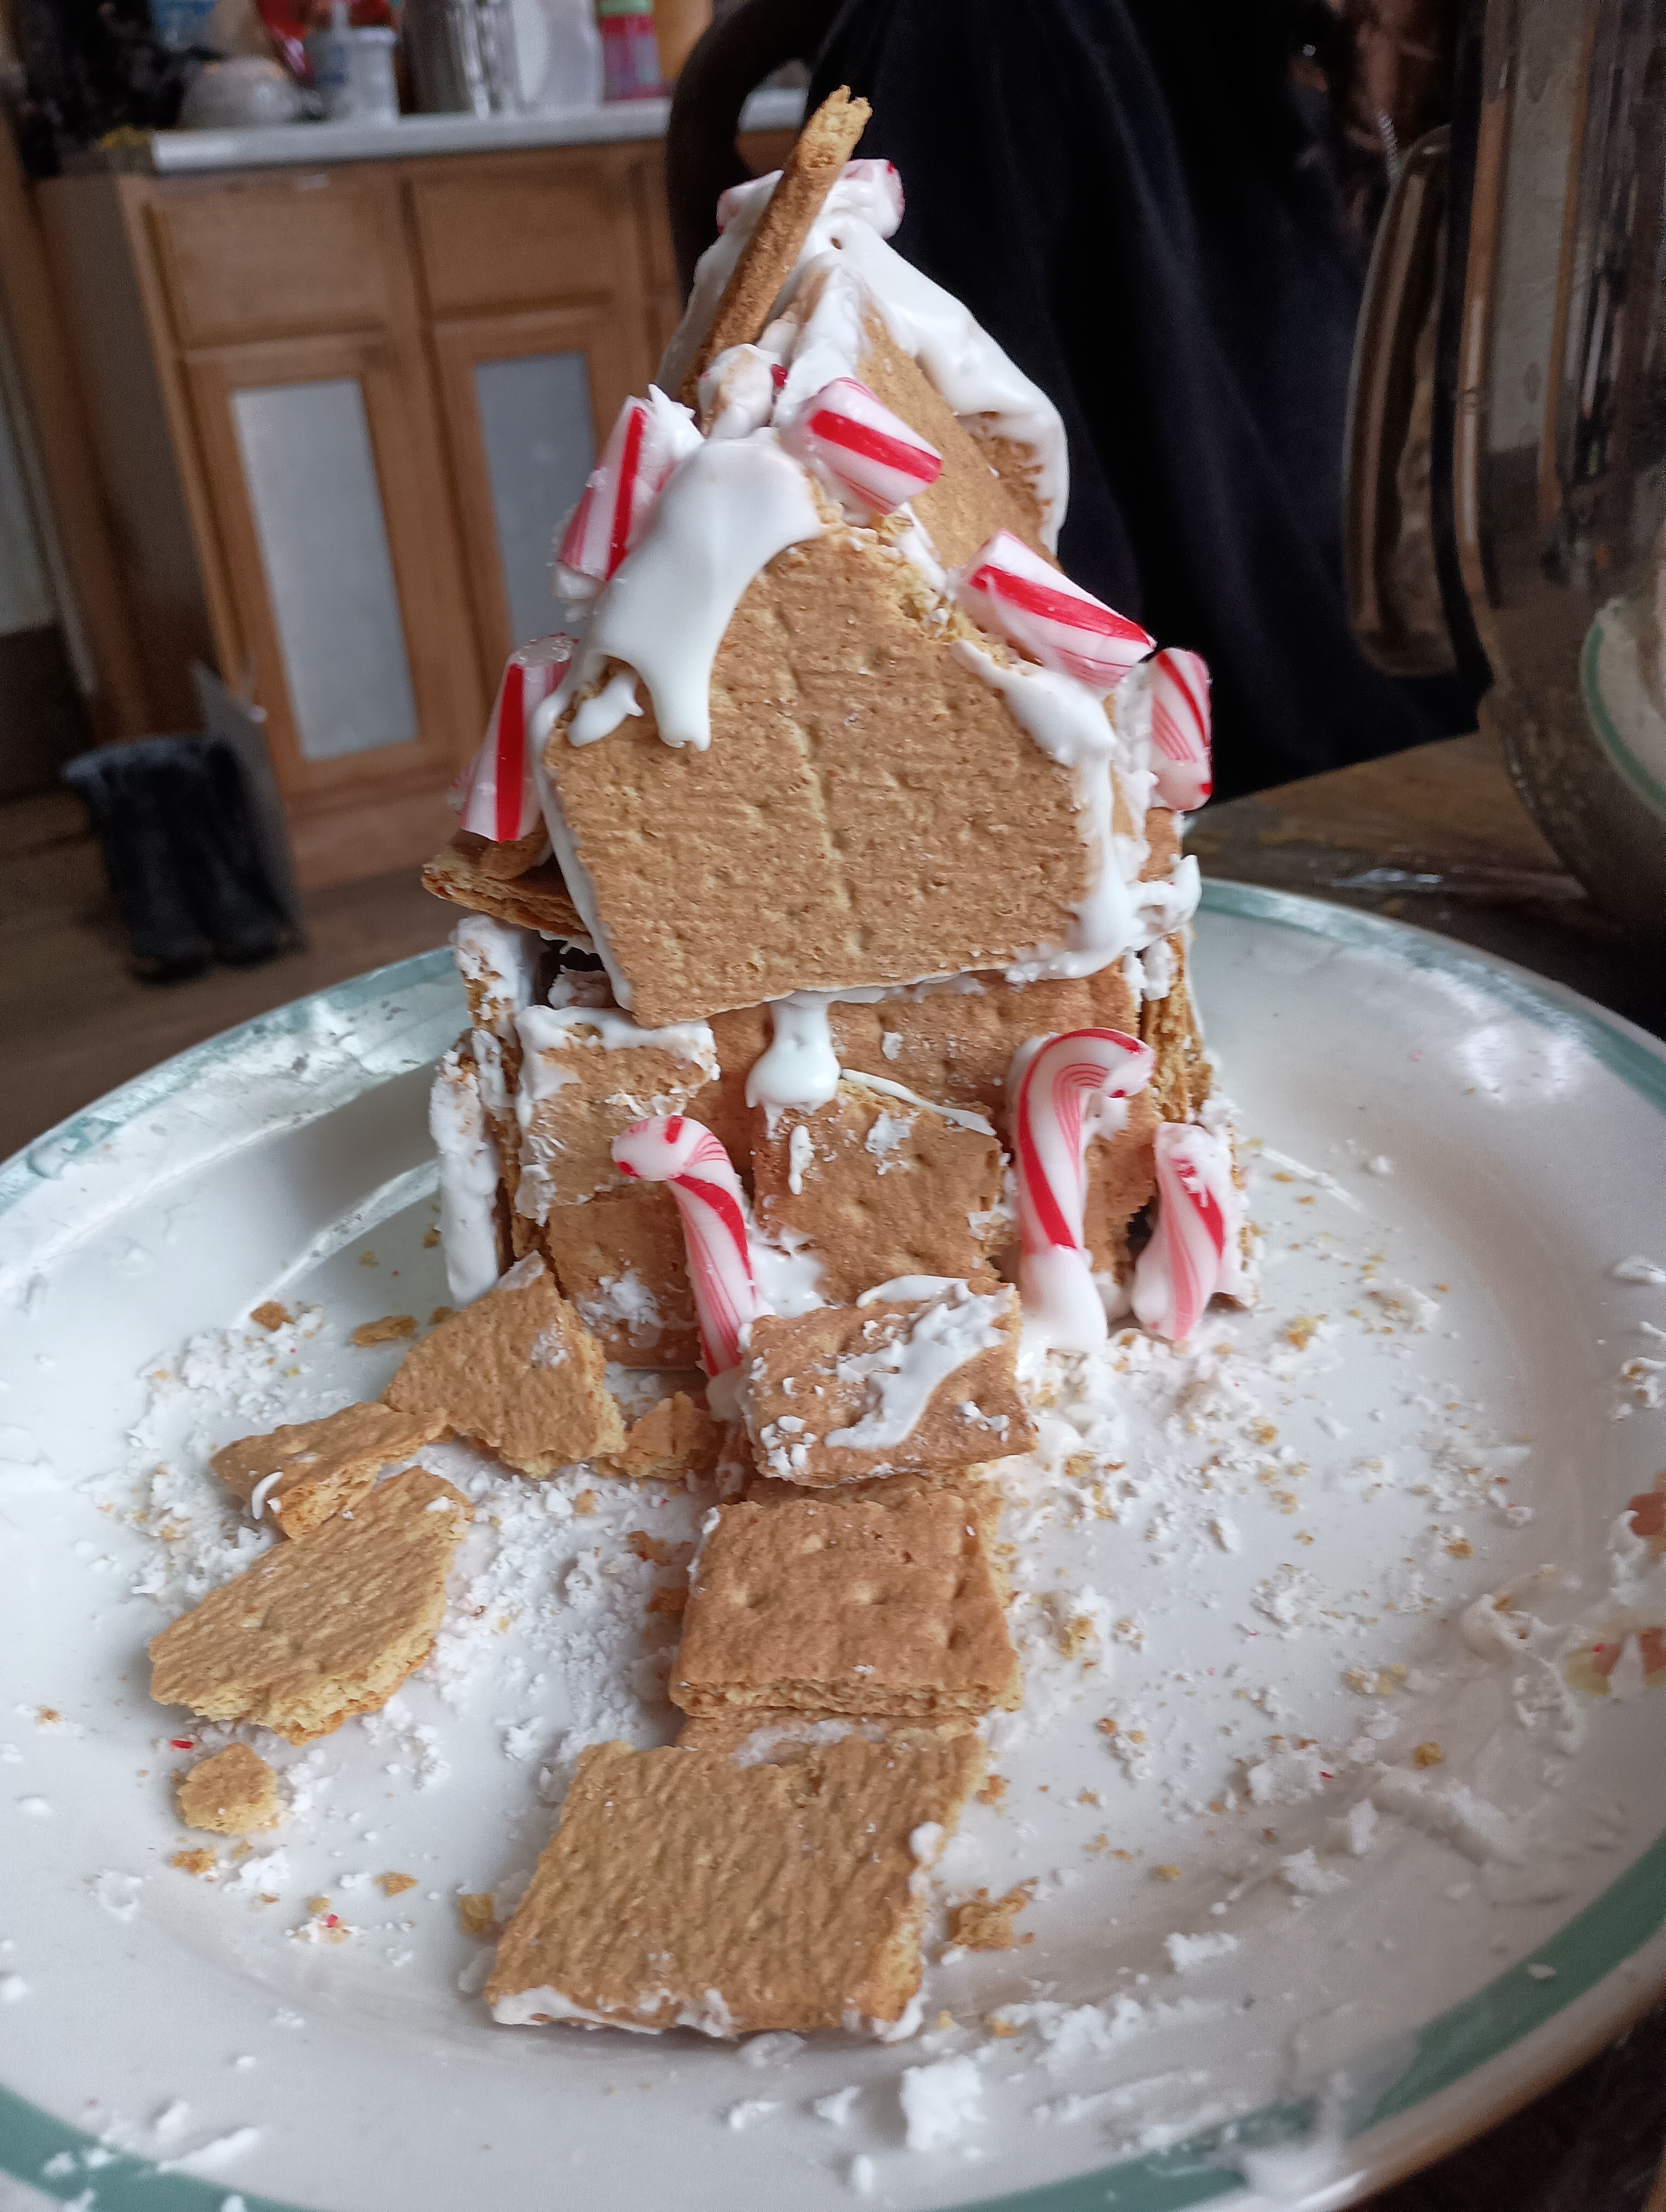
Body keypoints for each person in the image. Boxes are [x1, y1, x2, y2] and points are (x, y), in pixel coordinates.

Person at [669, 0, 1479, 800]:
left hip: (1467, 756)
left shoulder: (1444, 61)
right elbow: (972, 639)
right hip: (1234, 819)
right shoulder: (993, 46)